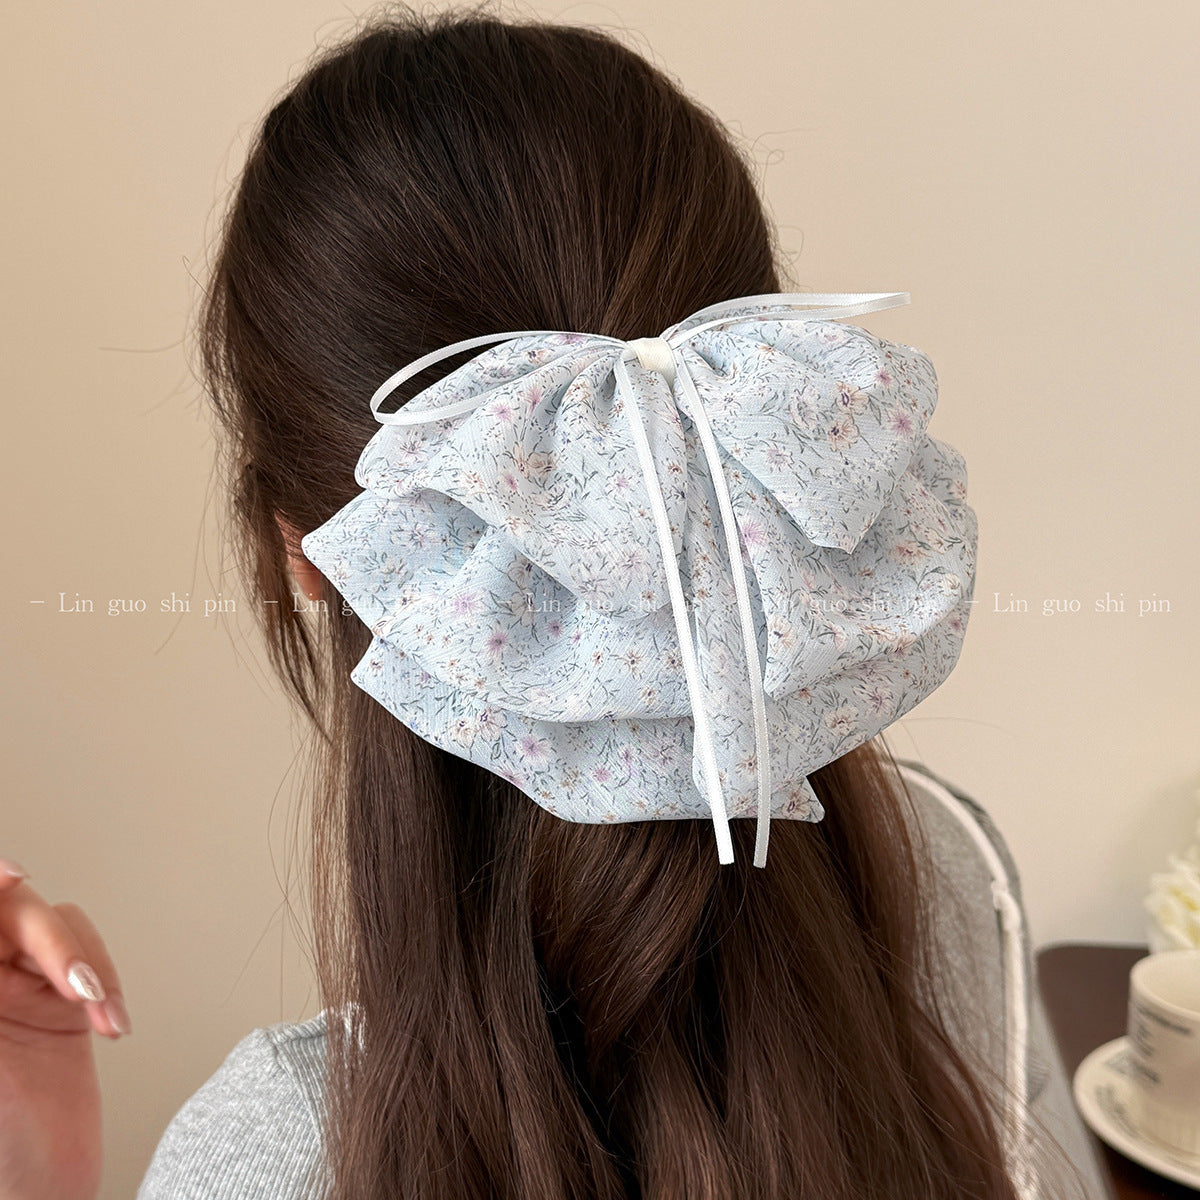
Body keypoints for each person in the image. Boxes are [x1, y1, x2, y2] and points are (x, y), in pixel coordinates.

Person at [0, 7, 1114, 1199]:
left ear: (303, 550)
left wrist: (39, 1175)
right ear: (761, 434)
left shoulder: (280, 1151)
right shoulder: (951, 877)